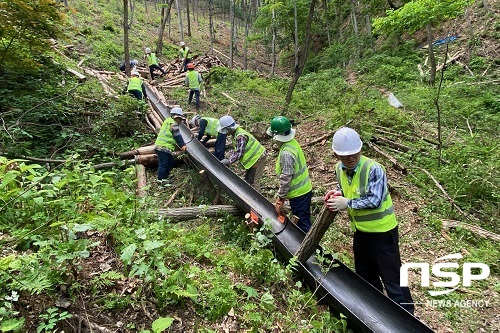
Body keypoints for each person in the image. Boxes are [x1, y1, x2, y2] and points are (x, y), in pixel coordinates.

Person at [324, 127, 414, 315]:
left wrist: (346, 203)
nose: (351, 158)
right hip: (361, 232)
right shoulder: (339, 169)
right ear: (336, 155)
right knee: (366, 276)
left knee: (393, 278)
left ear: (360, 149)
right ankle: (378, 315)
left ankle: (408, 319)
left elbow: (375, 200)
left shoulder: (373, 169)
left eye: (354, 153)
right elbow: (350, 190)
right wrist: (337, 195)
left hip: (382, 234)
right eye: (345, 155)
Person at [267, 116, 313, 233]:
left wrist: (280, 198)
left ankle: (309, 249)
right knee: (302, 219)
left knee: (303, 224)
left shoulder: (287, 153)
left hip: (299, 194)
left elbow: (286, 178)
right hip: (303, 190)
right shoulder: (291, 143)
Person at [218, 115, 266, 192]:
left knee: (253, 182)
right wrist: (229, 156)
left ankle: (257, 201)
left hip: (257, 157)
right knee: (248, 179)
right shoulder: (235, 134)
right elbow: (237, 149)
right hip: (254, 159)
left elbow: (239, 153)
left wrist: (229, 161)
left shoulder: (240, 136)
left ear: (228, 129)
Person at [154, 107, 187, 181]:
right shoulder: (173, 124)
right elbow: (177, 135)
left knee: (170, 162)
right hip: (163, 147)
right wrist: (183, 145)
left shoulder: (168, 121)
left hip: (164, 147)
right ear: (176, 117)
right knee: (163, 164)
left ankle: (166, 177)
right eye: (180, 119)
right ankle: (160, 180)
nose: (180, 121)